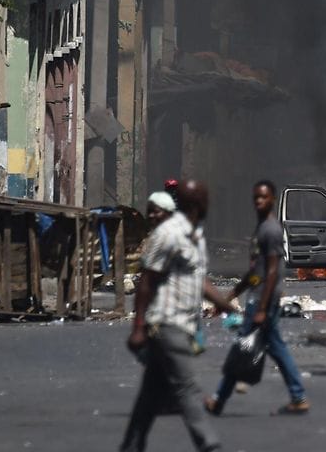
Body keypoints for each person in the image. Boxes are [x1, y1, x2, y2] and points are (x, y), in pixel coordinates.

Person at [120, 180, 236, 452]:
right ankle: (210, 445)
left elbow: (200, 280)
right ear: (196, 204)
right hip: (166, 324)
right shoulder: (169, 234)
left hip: (182, 324)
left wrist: (228, 306)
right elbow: (147, 281)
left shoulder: (194, 234)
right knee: (186, 389)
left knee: (148, 397)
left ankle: (130, 446)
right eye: (206, 199)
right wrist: (138, 327)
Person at [207, 180, 310, 415]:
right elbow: (256, 272)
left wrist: (262, 307)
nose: (259, 201)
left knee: (243, 346)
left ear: (273, 199)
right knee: (274, 348)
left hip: (262, 300)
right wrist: (232, 294)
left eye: (263, 197)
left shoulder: (271, 230)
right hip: (259, 296)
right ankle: (298, 396)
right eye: (256, 198)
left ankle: (218, 399)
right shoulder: (261, 229)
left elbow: (273, 271)